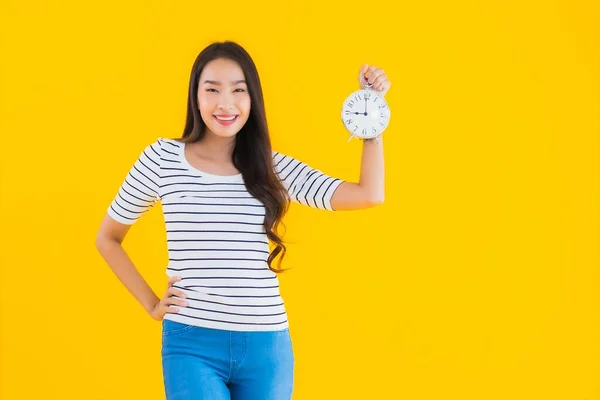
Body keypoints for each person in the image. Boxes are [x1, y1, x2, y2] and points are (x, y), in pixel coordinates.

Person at [95, 40, 390, 400]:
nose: (225, 103)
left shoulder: (271, 167)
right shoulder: (161, 159)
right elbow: (108, 238)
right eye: (212, 89)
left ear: (253, 99)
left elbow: (368, 194)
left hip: (267, 348)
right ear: (195, 96)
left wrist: (372, 118)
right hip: (192, 343)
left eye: (239, 90)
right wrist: (152, 303)